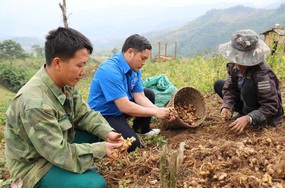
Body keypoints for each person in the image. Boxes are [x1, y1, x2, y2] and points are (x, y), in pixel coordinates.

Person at [5, 27, 124, 188]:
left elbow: (84, 114)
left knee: (99, 133)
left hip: (55, 145)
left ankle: (74, 171)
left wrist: (108, 133)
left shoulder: (65, 84)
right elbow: (58, 153)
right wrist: (101, 149)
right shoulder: (35, 102)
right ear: (58, 63)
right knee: (94, 184)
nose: (83, 72)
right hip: (35, 165)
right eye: (80, 65)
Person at [88, 34, 175, 152]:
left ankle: (142, 129)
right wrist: (156, 111)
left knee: (148, 93)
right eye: (142, 58)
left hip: (120, 107)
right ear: (130, 52)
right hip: (106, 114)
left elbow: (140, 96)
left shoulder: (135, 68)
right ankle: (102, 136)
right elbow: (124, 106)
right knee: (132, 145)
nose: (144, 62)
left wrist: (158, 111)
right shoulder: (110, 70)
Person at [213, 29, 284, 133]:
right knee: (219, 84)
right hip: (246, 103)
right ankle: (244, 113)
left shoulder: (262, 73)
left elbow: (271, 105)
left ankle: (249, 117)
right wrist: (227, 106)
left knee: (248, 85)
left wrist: (249, 118)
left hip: (265, 114)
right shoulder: (233, 66)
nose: (238, 59)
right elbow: (229, 89)